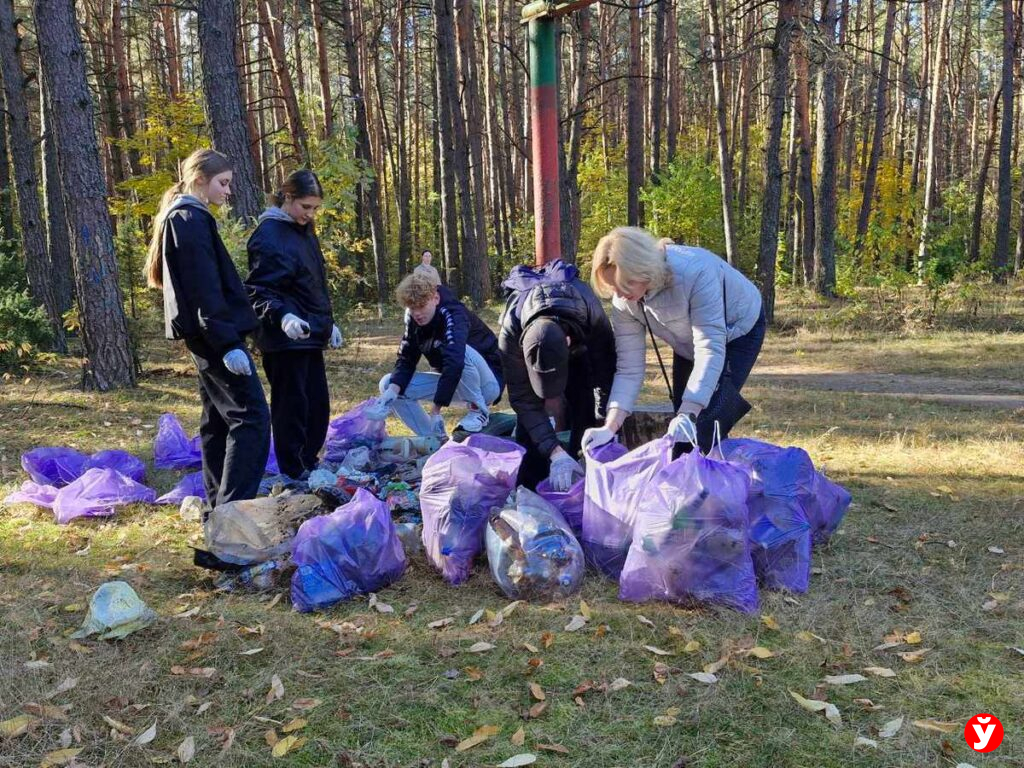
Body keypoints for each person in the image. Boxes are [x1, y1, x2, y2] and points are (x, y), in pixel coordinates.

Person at [144, 148, 270, 509]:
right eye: (223, 183)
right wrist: (228, 343)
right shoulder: (188, 218)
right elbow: (203, 287)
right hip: (215, 336)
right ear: (200, 179)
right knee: (252, 419)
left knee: (217, 421)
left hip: (210, 334)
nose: (228, 191)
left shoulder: (191, 217)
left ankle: (217, 511)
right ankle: (233, 515)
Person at [584, 227, 766, 455]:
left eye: (625, 285)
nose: (619, 295)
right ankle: (690, 477)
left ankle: (715, 481)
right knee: (682, 428)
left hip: (738, 329)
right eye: (613, 288)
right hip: (688, 340)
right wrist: (610, 427)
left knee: (704, 422)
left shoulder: (695, 272)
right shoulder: (624, 302)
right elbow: (629, 369)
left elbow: (710, 347)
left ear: (643, 271)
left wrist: (689, 412)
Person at [244, 169, 342, 480]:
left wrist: (328, 324)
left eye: (315, 208)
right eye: (305, 207)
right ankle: (293, 469)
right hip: (284, 337)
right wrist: (282, 315)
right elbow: (259, 289)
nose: (310, 215)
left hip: (311, 332)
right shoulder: (269, 233)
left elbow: (312, 284)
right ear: (288, 198)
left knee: (316, 405)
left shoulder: (304, 232)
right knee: (292, 406)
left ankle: (309, 462)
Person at [498, 259, 615, 491]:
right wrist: (555, 452)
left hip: (581, 345)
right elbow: (523, 399)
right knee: (528, 425)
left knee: (584, 403)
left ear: (568, 341)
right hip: (536, 334)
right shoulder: (510, 333)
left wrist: (605, 425)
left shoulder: (592, 313)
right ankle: (530, 486)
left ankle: (583, 474)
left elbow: (605, 374)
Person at [376, 272, 503, 437]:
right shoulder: (412, 318)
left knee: (460, 352)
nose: (417, 313)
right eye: (412, 308)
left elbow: (455, 361)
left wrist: (436, 410)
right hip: (455, 383)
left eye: (421, 306)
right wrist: (391, 393)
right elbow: (407, 358)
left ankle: (478, 411)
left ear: (435, 298)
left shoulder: (454, 313)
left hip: (487, 383)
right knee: (388, 383)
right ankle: (433, 439)